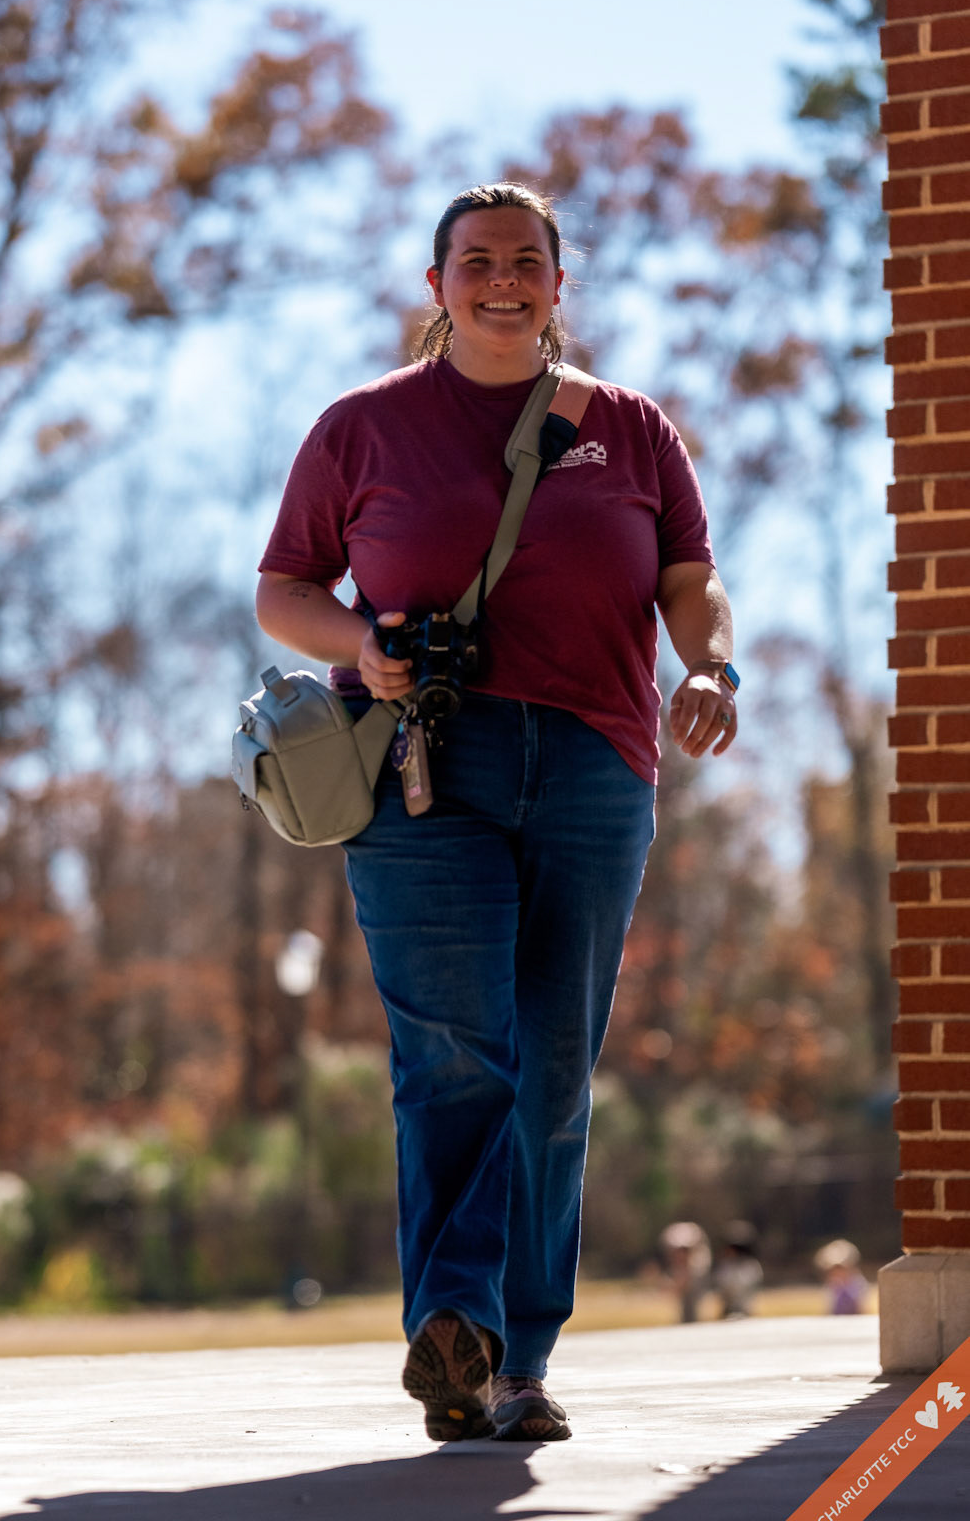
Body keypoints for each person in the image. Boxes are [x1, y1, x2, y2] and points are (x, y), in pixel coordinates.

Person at [256, 182, 737, 1443]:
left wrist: (712, 666)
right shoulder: (362, 427)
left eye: (528, 260)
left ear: (558, 284)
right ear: (437, 286)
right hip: (425, 771)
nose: (503, 279)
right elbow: (283, 589)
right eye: (477, 262)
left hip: (592, 765)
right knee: (456, 1051)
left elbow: (690, 576)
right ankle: (457, 1329)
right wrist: (364, 641)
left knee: (556, 1072)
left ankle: (518, 1357)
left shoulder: (628, 429)